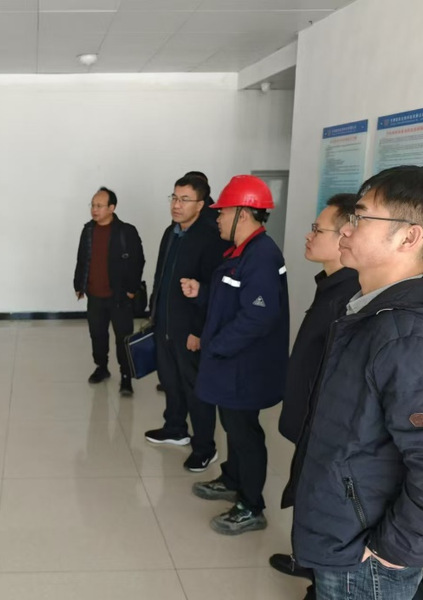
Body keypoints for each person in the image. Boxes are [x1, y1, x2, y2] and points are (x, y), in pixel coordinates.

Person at [286, 165, 423, 599]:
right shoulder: (370, 310)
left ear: (409, 237)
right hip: (344, 531)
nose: (346, 228)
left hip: (366, 555)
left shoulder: (407, 335)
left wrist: (393, 550)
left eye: (360, 217)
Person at [181, 175, 289, 535]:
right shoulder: (241, 252)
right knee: (233, 426)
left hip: (245, 368)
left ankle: (251, 505)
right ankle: (232, 479)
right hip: (233, 364)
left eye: (223, 212)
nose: (218, 218)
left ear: (243, 213)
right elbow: (231, 298)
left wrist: (216, 345)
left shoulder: (262, 256)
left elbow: (258, 315)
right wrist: (202, 292)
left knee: (245, 433)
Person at [267, 194, 360, 596]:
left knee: (318, 500)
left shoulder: (349, 296)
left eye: (317, 230)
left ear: (345, 236)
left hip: (323, 427)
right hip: (308, 421)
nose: (308, 236)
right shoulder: (331, 286)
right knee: (306, 493)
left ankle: (317, 577)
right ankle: (307, 561)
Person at [144, 175, 229, 472]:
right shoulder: (172, 231)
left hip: (190, 328)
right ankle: (175, 428)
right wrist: (154, 312)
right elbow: (161, 275)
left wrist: (198, 331)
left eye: (184, 200)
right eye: (174, 198)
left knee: (196, 388)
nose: (176, 205)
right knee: (170, 380)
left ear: (201, 204)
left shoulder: (210, 237)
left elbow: (212, 290)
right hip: (165, 322)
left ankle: (205, 447)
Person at [74, 187, 145, 396]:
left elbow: (138, 261)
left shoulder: (126, 231)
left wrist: (131, 290)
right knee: (97, 334)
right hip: (95, 295)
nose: (94, 210)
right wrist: (79, 285)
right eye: (92, 205)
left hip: (119, 296)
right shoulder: (88, 230)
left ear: (112, 208)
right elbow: (82, 258)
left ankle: (126, 376)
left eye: (99, 206)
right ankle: (101, 367)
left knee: (123, 338)